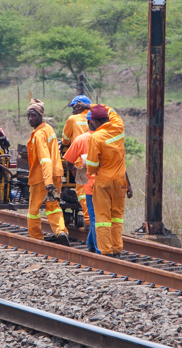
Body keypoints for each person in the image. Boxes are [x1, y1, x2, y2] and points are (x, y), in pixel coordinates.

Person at [25, 98, 70, 246]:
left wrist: (48, 182)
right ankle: (61, 231)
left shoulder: (38, 135)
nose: (31, 119)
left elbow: (45, 160)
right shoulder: (49, 128)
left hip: (42, 178)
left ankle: (36, 239)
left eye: (34, 115)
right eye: (29, 116)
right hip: (57, 174)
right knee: (53, 206)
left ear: (40, 115)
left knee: (33, 210)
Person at [86, 104, 128, 257]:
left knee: (103, 218)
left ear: (95, 122)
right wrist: (90, 105)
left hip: (103, 182)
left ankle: (106, 251)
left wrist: (89, 170)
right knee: (117, 216)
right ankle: (117, 249)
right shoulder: (118, 127)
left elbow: (91, 165)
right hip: (120, 181)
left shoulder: (95, 137)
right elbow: (112, 110)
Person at [63, 111, 98, 253]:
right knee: (102, 217)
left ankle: (95, 246)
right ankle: (94, 246)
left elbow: (68, 160)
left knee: (95, 216)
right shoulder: (108, 138)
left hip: (88, 182)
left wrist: (74, 171)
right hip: (106, 184)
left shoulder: (81, 139)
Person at [61, 95, 92, 226]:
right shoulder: (93, 118)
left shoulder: (72, 119)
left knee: (82, 191)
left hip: (81, 159)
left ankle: (89, 221)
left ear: (79, 106)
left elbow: (65, 140)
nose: (72, 110)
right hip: (97, 156)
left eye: (73, 107)